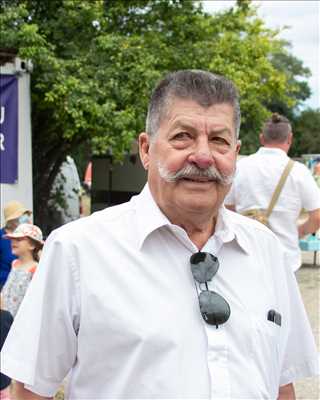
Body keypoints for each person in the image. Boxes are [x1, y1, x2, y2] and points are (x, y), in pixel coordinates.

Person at [1, 70, 318, 400]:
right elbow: (29, 389)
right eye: (183, 136)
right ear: (146, 149)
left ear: (235, 154)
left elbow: (282, 385)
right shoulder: (78, 250)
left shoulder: (266, 250)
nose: (203, 156)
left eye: (220, 141)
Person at [225, 113, 320, 272]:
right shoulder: (299, 172)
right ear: (289, 138)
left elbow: (227, 209)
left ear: (261, 138)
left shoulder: (241, 167)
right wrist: (298, 232)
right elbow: (317, 217)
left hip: (246, 257)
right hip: (285, 260)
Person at [1, 224, 44, 318]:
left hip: (20, 318)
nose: (13, 242)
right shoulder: (14, 264)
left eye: (19, 239)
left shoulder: (35, 269)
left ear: (32, 245)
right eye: (12, 239)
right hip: (5, 314)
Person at [0, 201, 32, 290]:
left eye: (25, 215)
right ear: (11, 220)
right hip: (4, 285)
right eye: (21, 216)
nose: (25, 218)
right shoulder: (1, 237)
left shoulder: (29, 236)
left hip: (25, 285)